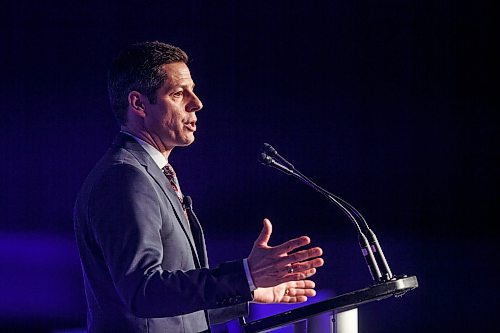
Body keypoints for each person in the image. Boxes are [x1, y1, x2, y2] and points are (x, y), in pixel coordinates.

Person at [73, 41, 325, 333]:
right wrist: (244, 275)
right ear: (139, 104)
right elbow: (143, 292)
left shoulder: (150, 173)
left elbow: (168, 307)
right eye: (178, 93)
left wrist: (252, 291)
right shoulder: (125, 178)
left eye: (192, 90)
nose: (197, 103)